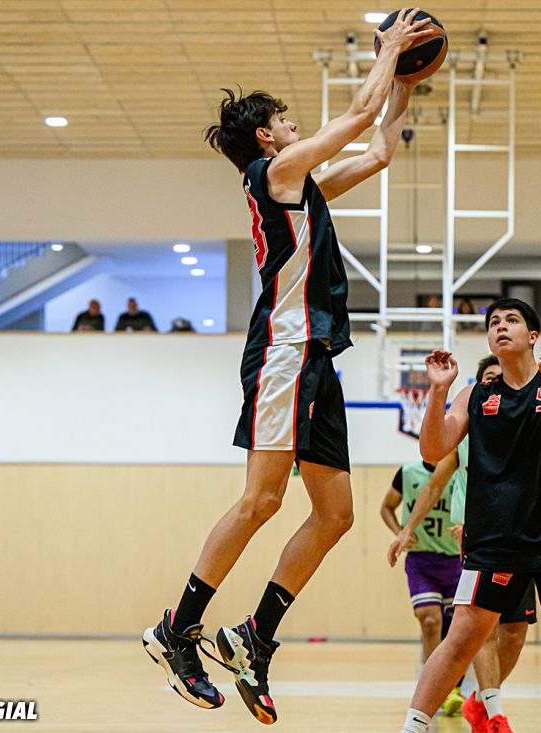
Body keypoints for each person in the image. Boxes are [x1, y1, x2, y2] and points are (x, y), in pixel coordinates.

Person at [142, 9, 433, 723]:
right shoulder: (273, 171)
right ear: (266, 136)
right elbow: (359, 115)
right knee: (262, 499)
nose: (296, 123)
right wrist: (389, 51)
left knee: (335, 514)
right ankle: (178, 625)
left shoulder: (301, 188)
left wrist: (403, 89)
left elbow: (379, 151)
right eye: (287, 118)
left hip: (318, 356)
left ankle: (254, 636)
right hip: (283, 350)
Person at [397, 297, 541, 733]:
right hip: (493, 542)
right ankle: (413, 728)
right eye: (494, 322)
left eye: (511, 320)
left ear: (533, 337)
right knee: (459, 643)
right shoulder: (474, 394)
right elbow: (432, 450)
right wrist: (438, 389)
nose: (500, 326)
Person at [389, 354, 537, 733]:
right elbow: (435, 484)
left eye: (500, 377)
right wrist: (407, 530)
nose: (496, 383)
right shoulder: (466, 432)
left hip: (526, 540)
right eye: (489, 378)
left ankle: (481, 700)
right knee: (472, 627)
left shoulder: (529, 427)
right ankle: (491, 713)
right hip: (477, 540)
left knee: (515, 635)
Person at [380, 457, 464, 715]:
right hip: (421, 560)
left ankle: (454, 690)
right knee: (430, 622)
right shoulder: (407, 473)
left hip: (456, 560)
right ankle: (436, 689)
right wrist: (399, 532)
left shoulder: (461, 471)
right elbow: (386, 507)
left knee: (456, 631)